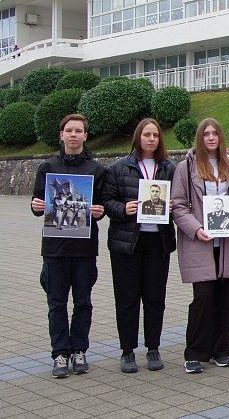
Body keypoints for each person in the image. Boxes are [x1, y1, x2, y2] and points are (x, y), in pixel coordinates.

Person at [30, 114, 106, 378]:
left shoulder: (97, 170)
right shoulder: (47, 167)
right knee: (56, 303)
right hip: (55, 249)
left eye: (79, 131)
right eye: (69, 130)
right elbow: (37, 204)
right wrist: (35, 206)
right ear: (61, 135)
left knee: (83, 302)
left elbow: (104, 205)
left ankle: (79, 350)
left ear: (85, 136)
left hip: (85, 250)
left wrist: (100, 210)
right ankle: (60, 353)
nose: (74, 135)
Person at [102, 118, 176, 373]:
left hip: (158, 241)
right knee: (127, 298)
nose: (151, 139)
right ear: (138, 137)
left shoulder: (168, 168)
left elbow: (179, 200)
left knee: (155, 298)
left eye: (155, 135)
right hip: (127, 243)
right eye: (147, 134)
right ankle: (127, 351)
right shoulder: (119, 168)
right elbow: (107, 201)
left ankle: (153, 348)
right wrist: (123, 208)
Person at [172, 118, 229, 374]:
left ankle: (220, 350)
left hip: (227, 242)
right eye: (206, 134)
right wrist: (196, 229)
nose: (211, 138)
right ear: (200, 138)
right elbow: (178, 205)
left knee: (225, 298)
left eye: (215, 133)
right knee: (202, 297)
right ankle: (195, 352)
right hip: (200, 240)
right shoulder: (185, 167)